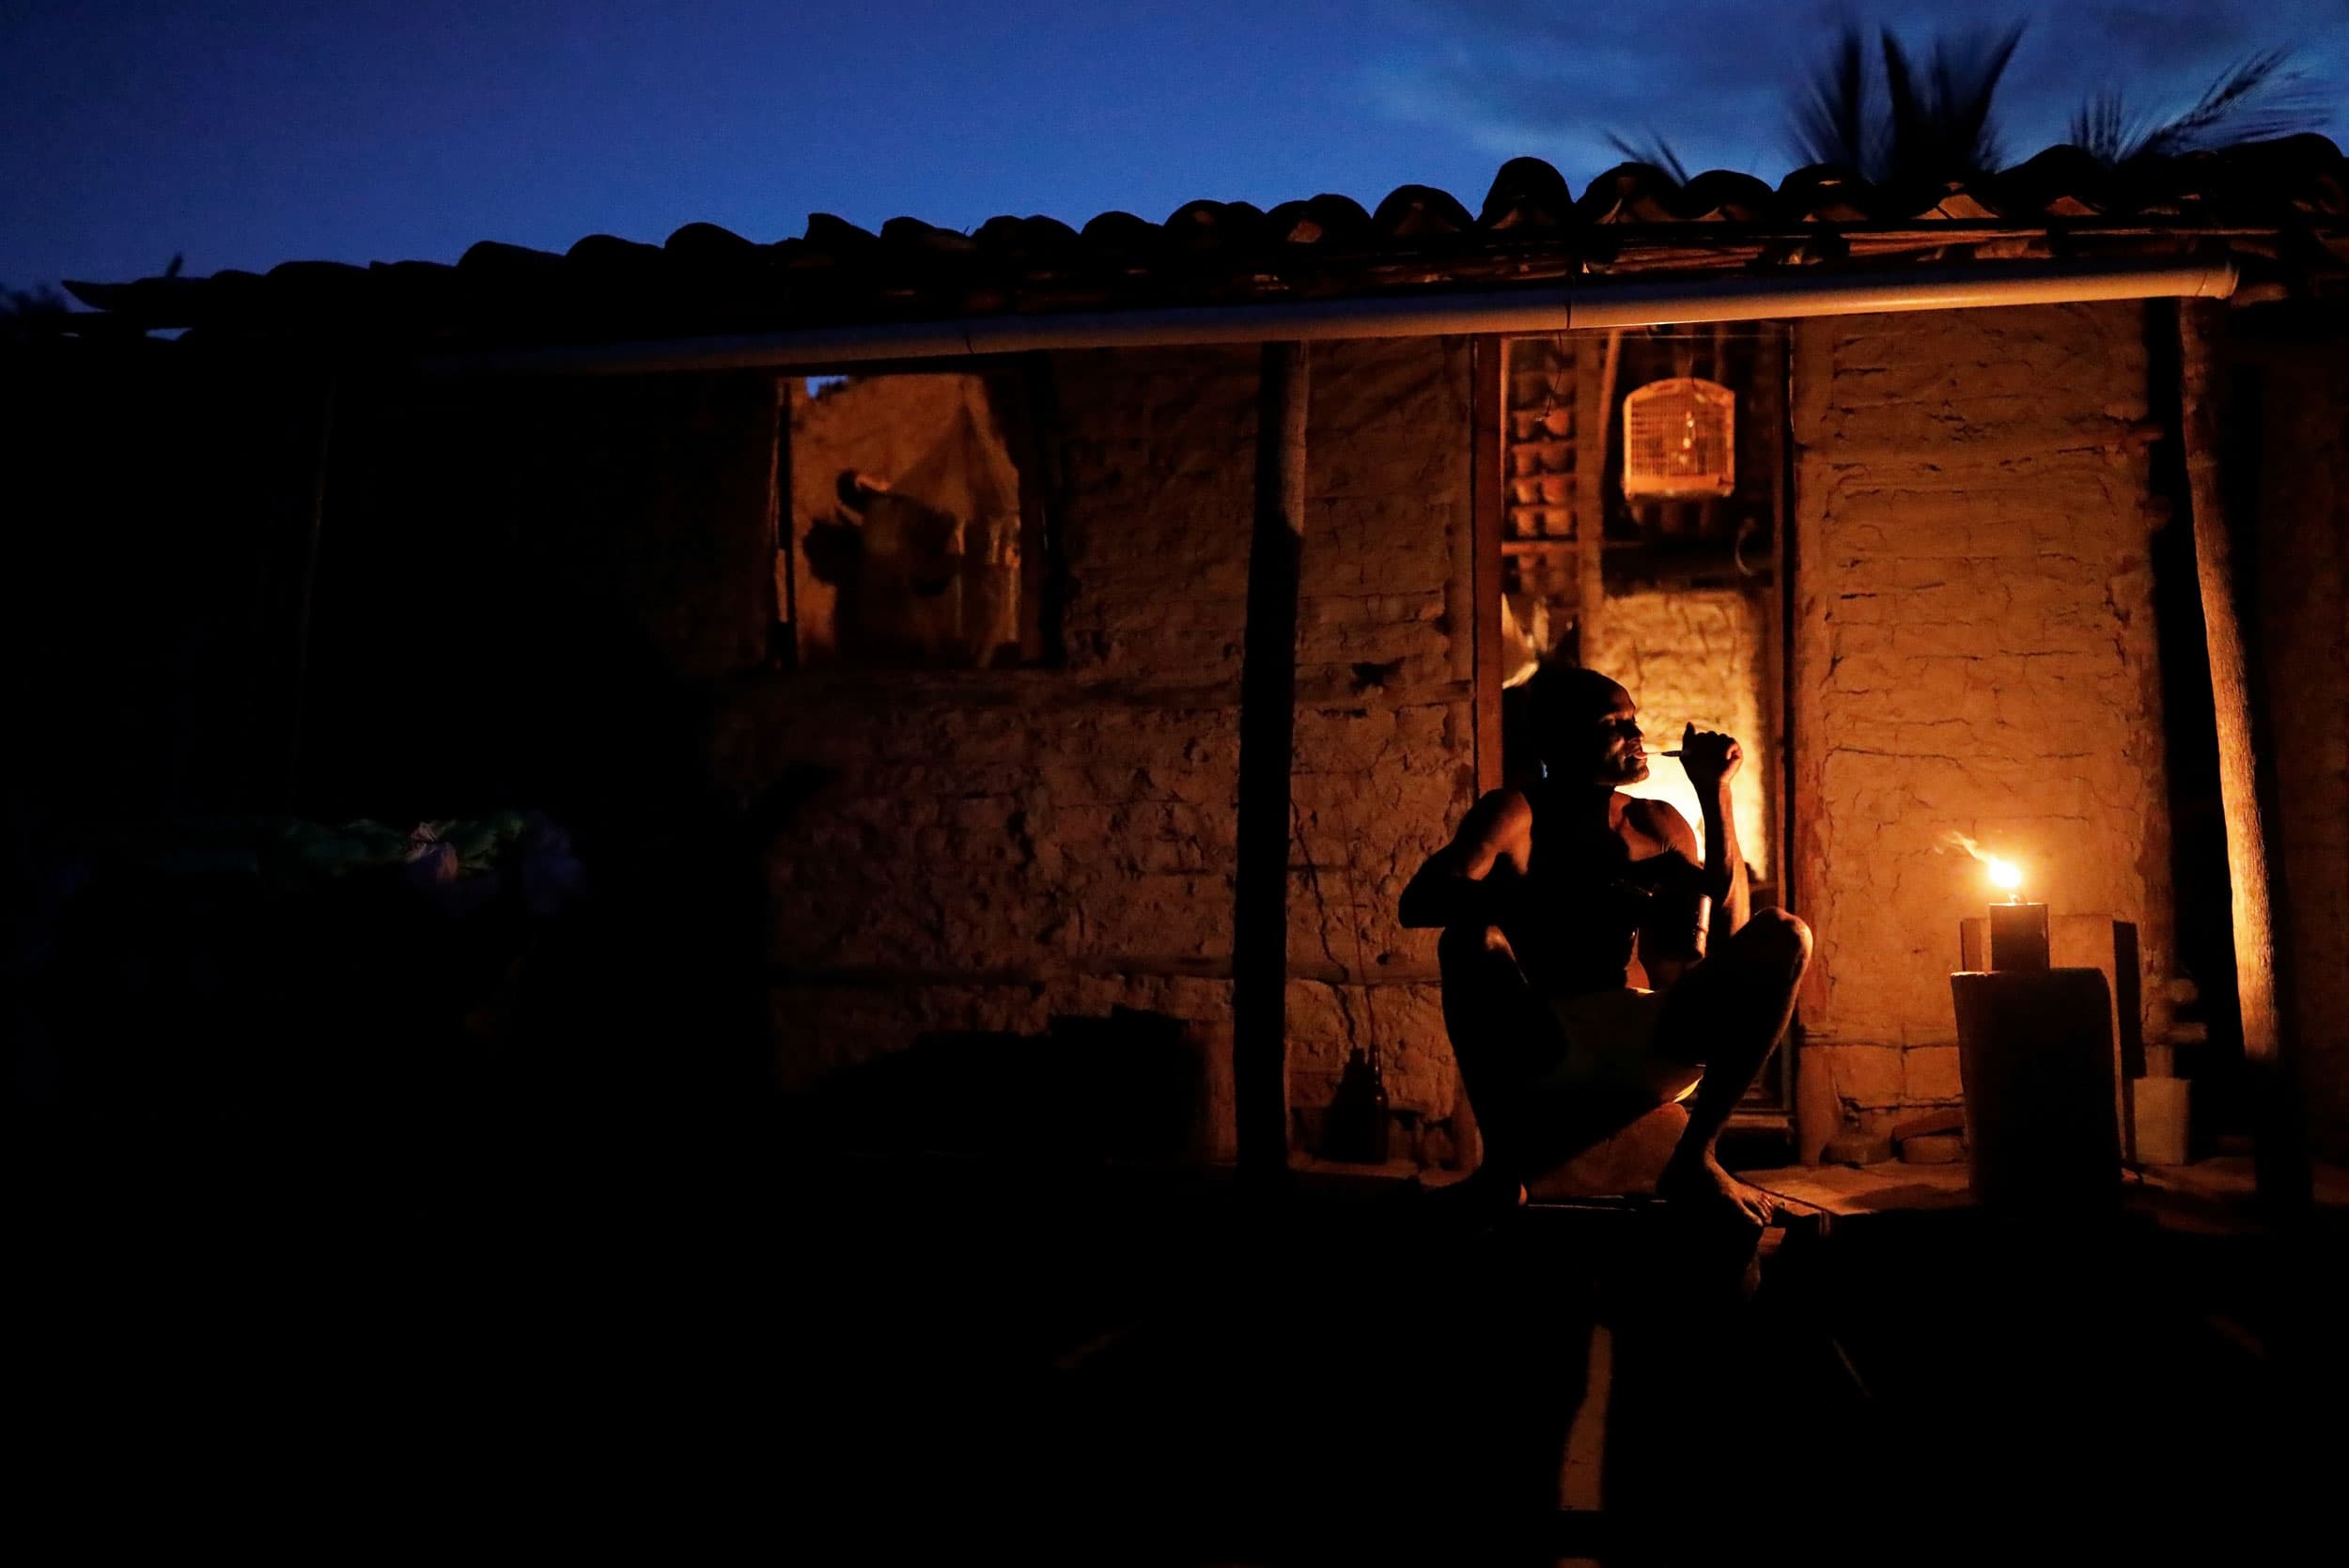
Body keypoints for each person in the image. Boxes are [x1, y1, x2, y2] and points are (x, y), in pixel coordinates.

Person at [1399, 665, 1812, 1227]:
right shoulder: (1516, 813)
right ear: (1560, 743)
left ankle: (1697, 1156)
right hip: (1544, 1035)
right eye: (1613, 725)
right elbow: (1418, 902)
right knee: (1469, 940)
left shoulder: (1655, 822)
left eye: (1634, 721)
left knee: (1787, 934)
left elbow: (1710, 951)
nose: (1637, 737)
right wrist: (1552, 894)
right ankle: (1504, 1171)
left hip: (1641, 1036)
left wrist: (1715, 794)